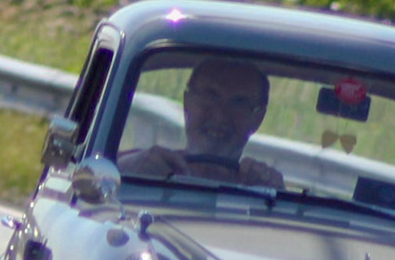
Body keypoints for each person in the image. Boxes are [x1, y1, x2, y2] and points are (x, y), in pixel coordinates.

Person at [118, 56, 286, 188]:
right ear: (187, 103)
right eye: (209, 97)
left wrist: (275, 196)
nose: (220, 116)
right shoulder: (145, 166)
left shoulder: (261, 189)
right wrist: (129, 172)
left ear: (258, 119)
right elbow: (96, 175)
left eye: (239, 104)